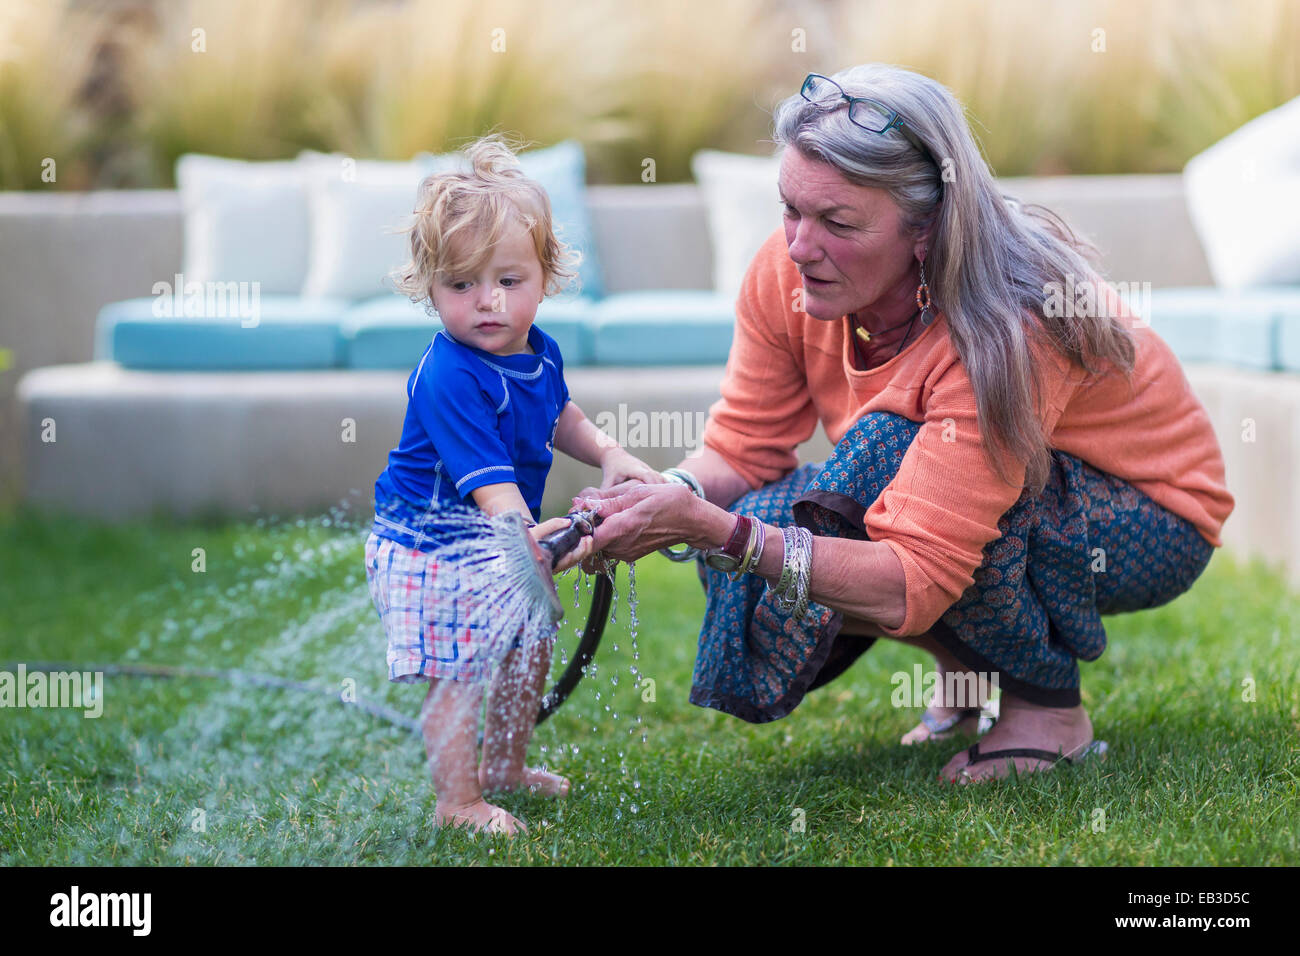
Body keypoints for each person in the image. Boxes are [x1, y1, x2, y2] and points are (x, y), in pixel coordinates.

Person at [579, 65, 1234, 784]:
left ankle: (1048, 712)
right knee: (770, 509)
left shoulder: (1011, 327)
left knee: (881, 453)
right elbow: (743, 447)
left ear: (925, 233)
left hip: (1152, 517)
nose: (799, 245)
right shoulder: (788, 271)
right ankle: (964, 676)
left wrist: (716, 532)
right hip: (1019, 492)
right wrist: (657, 495)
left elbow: (913, 575)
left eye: (838, 222)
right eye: (790, 209)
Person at [364, 135, 660, 834]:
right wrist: (531, 536)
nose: (486, 302)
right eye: (460, 285)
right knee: (458, 669)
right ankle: (458, 802)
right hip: (429, 545)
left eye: (508, 280)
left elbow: (558, 413)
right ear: (429, 286)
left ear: (546, 275)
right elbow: (492, 490)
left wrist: (609, 453)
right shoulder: (450, 375)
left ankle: (504, 764)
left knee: (531, 640)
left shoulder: (539, 350)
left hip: (495, 538)